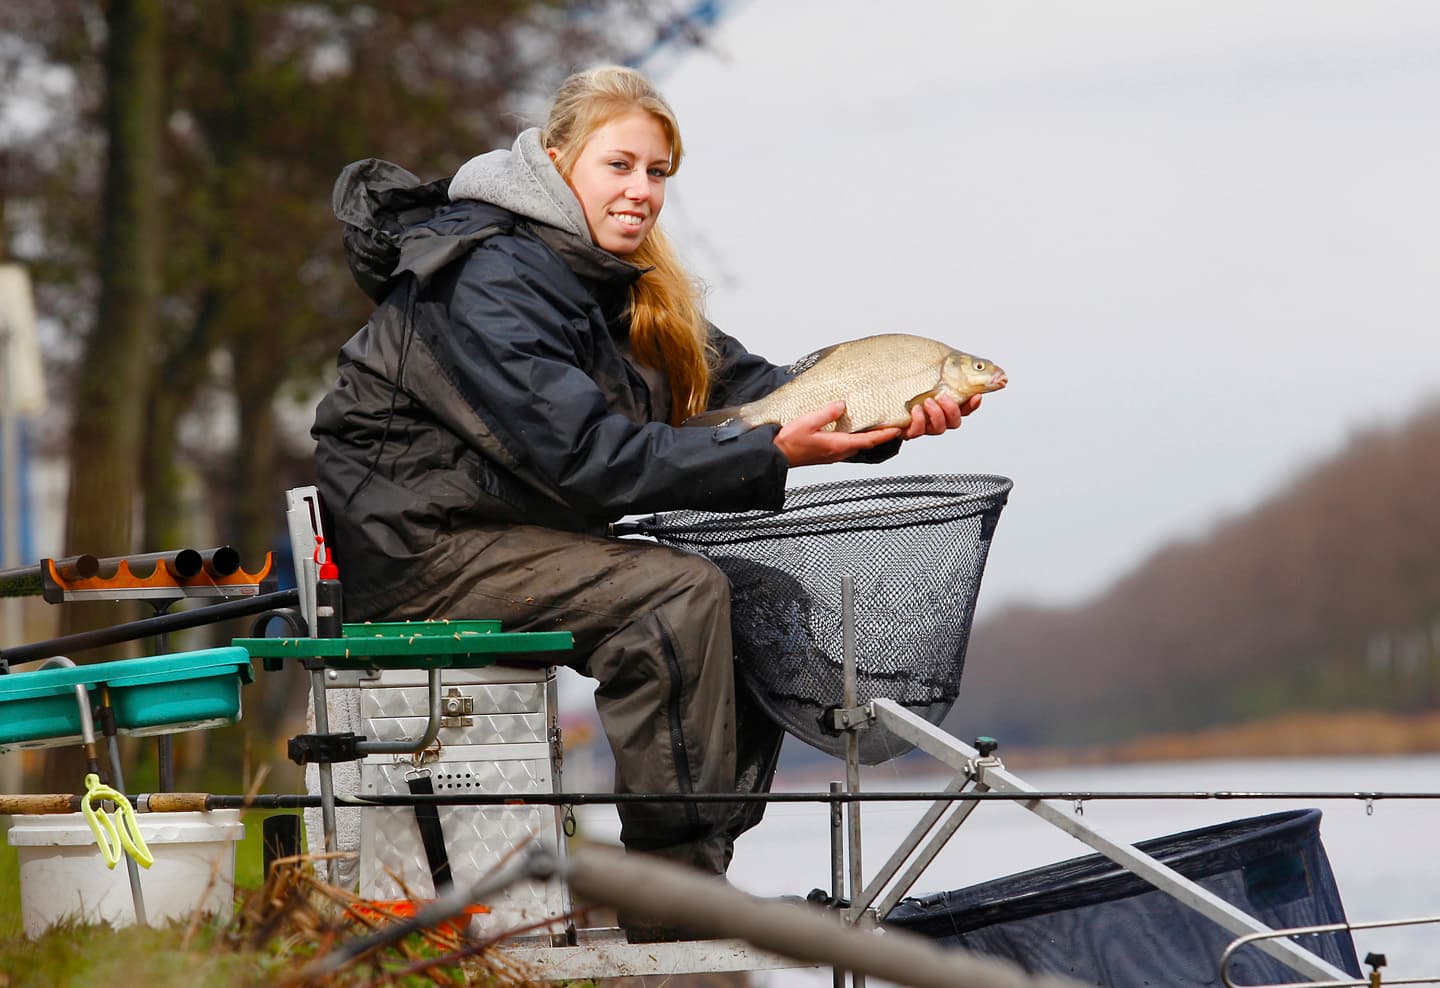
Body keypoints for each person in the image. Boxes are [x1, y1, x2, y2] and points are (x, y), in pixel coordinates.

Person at [312, 64, 980, 939]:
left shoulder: (625, 281)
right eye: (618, 166)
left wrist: (886, 413)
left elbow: (758, 395)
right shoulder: (488, 278)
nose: (641, 192)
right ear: (555, 162)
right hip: (425, 550)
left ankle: (702, 870)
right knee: (674, 596)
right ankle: (673, 897)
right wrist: (771, 446)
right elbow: (587, 458)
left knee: (759, 598)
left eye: (658, 172)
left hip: (514, 539)